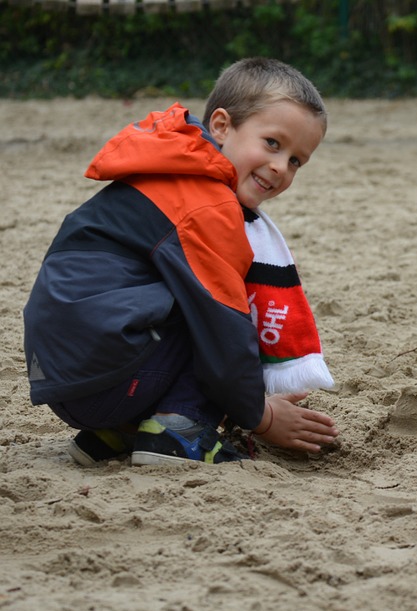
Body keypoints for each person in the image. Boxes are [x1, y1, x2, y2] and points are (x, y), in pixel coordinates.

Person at [23, 58, 340, 466]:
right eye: (273, 144)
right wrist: (262, 416)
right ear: (222, 126)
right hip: (105, 378)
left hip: (63, 375)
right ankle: (178, 430)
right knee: (214, 316)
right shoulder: (207, 204)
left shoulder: (171, 168)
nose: (280, 167)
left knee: (183, 297)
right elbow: (223, 332)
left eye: (297, 160)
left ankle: (118, 433)